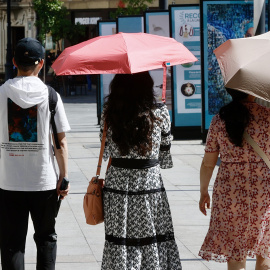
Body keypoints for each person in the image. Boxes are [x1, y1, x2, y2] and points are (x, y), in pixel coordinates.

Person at [0, 37, 70, 270]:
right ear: (41, 63)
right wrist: (63, 175)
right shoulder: (50, 96)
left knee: (11, 244)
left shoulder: (1, 94)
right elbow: (60, 142)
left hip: (8, 182)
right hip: (44, 182)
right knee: (46, 238)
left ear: (13, 62)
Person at [100, 72, 182, 270]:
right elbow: (164, 156)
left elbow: (106, 151)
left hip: (118, 183)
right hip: (149, 183)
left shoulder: (110, 111)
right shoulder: (160, 112)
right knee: (152, 235)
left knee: (120, 237)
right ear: (147, 86)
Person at [199, 88, 270, 270]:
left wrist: (204, 192)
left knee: (235, 254)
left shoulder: (220, 119)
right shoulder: (267, 116)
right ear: (252, 90)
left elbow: (208, 163)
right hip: (264, 191)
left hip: (230, 192)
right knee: (265, 252)